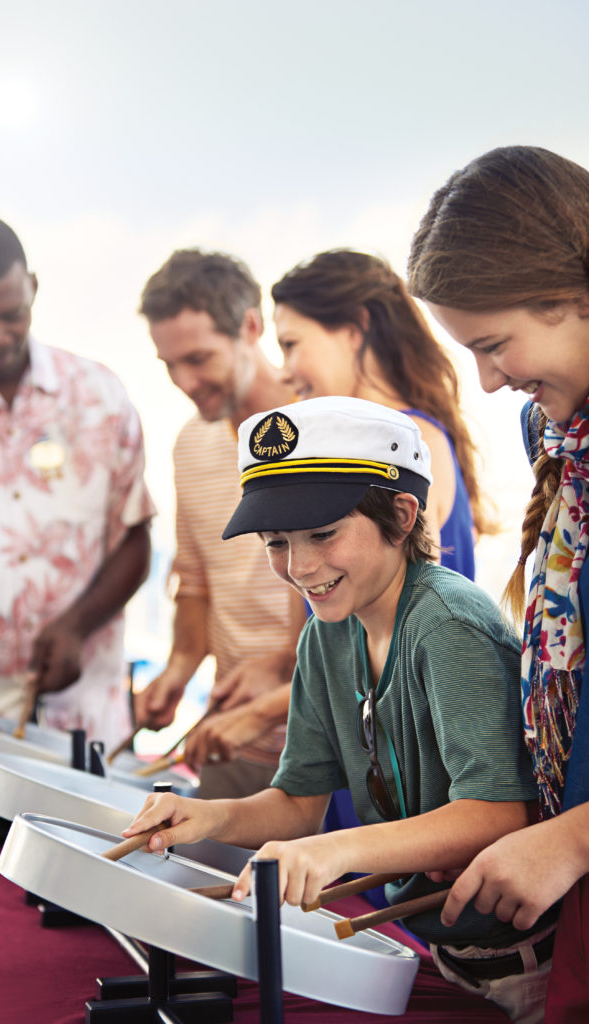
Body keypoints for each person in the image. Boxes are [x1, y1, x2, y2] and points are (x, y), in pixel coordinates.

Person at [121, 395, 554, 1024]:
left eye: (323, 534)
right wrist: (205, 816)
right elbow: (298, 804)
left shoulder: (447, 624)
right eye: (276, 542)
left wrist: (336, 851)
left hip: (525, 963)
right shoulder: (326, 634)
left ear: (403, 515)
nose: (299, 567)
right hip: (442, 951)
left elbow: (497, 814)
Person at [407, 144, 589, 1023]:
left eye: (493, 344)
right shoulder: (553, 435)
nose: (486, 380)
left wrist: (574, 836)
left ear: (577, 296)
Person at [0, 215, 155, 841]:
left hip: (83, 739)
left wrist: (76, 624)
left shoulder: (98, 393)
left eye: (11, 314)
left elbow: (134, 535)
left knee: (80, 935)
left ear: (34, 289)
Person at [136, 249, 304, 797]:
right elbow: (195, 579)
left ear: (250, 327)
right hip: (231, 741)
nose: (185, 381)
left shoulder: (320, 427)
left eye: (199, 358)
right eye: (169, 364)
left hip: (327, 742)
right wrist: (179, 667)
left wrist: (282, 665)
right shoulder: (191, 443)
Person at [271, 249, 494, 581]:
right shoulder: (390, 443)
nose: (283, 373)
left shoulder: (409, 445)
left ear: (354, 329)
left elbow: (406, 617)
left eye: (290, 345)